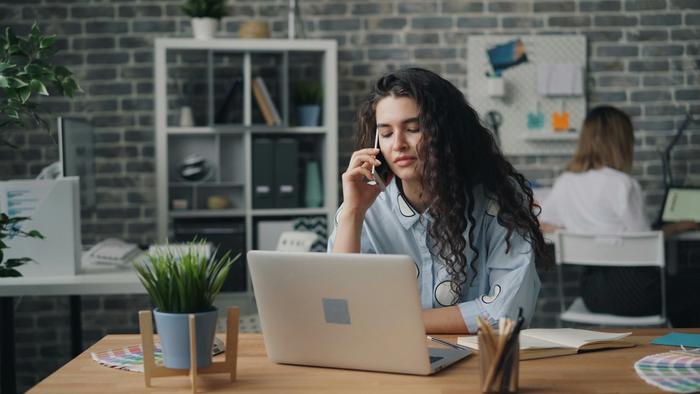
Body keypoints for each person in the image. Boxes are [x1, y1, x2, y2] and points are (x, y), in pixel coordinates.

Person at [327, 68, 549, 334]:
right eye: (386, 133)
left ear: (445, 133)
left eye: (414, 129)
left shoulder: (498, 198)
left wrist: (391, 322)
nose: (398, 144)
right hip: (386, 362)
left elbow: (505, 312)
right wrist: (352, 211)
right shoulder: (365, 204)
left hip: (474, 364)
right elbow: (338, 310)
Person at [540, 105, 699, 324]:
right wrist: (675, 227)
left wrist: (569, 230)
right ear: (621, 142)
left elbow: (543, 222)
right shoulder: (623, 184)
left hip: (592, 294)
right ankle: (687, 352)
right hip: (635, 293)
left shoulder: (565, 182)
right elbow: (643, 242)